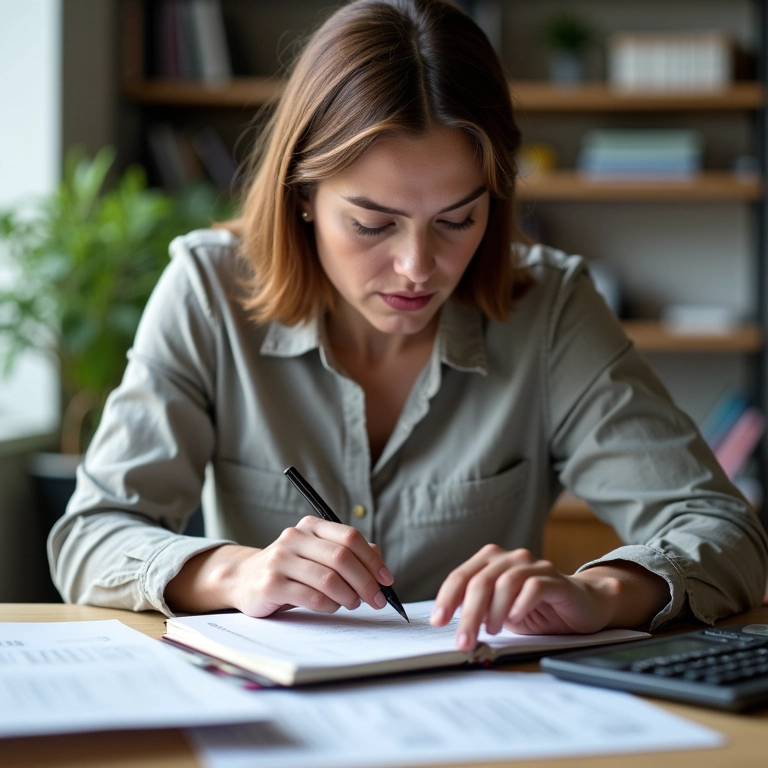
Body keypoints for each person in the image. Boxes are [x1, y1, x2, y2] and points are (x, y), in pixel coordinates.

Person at [49, 0, 767, 652]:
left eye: (457, 219)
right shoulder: (208, 292)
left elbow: (728, 532)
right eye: (372, 223)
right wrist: (238, 573)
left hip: (484, 715)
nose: (418, 267)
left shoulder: (548, 308)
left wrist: (602, 593)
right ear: (303, 196)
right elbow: (90, 534)